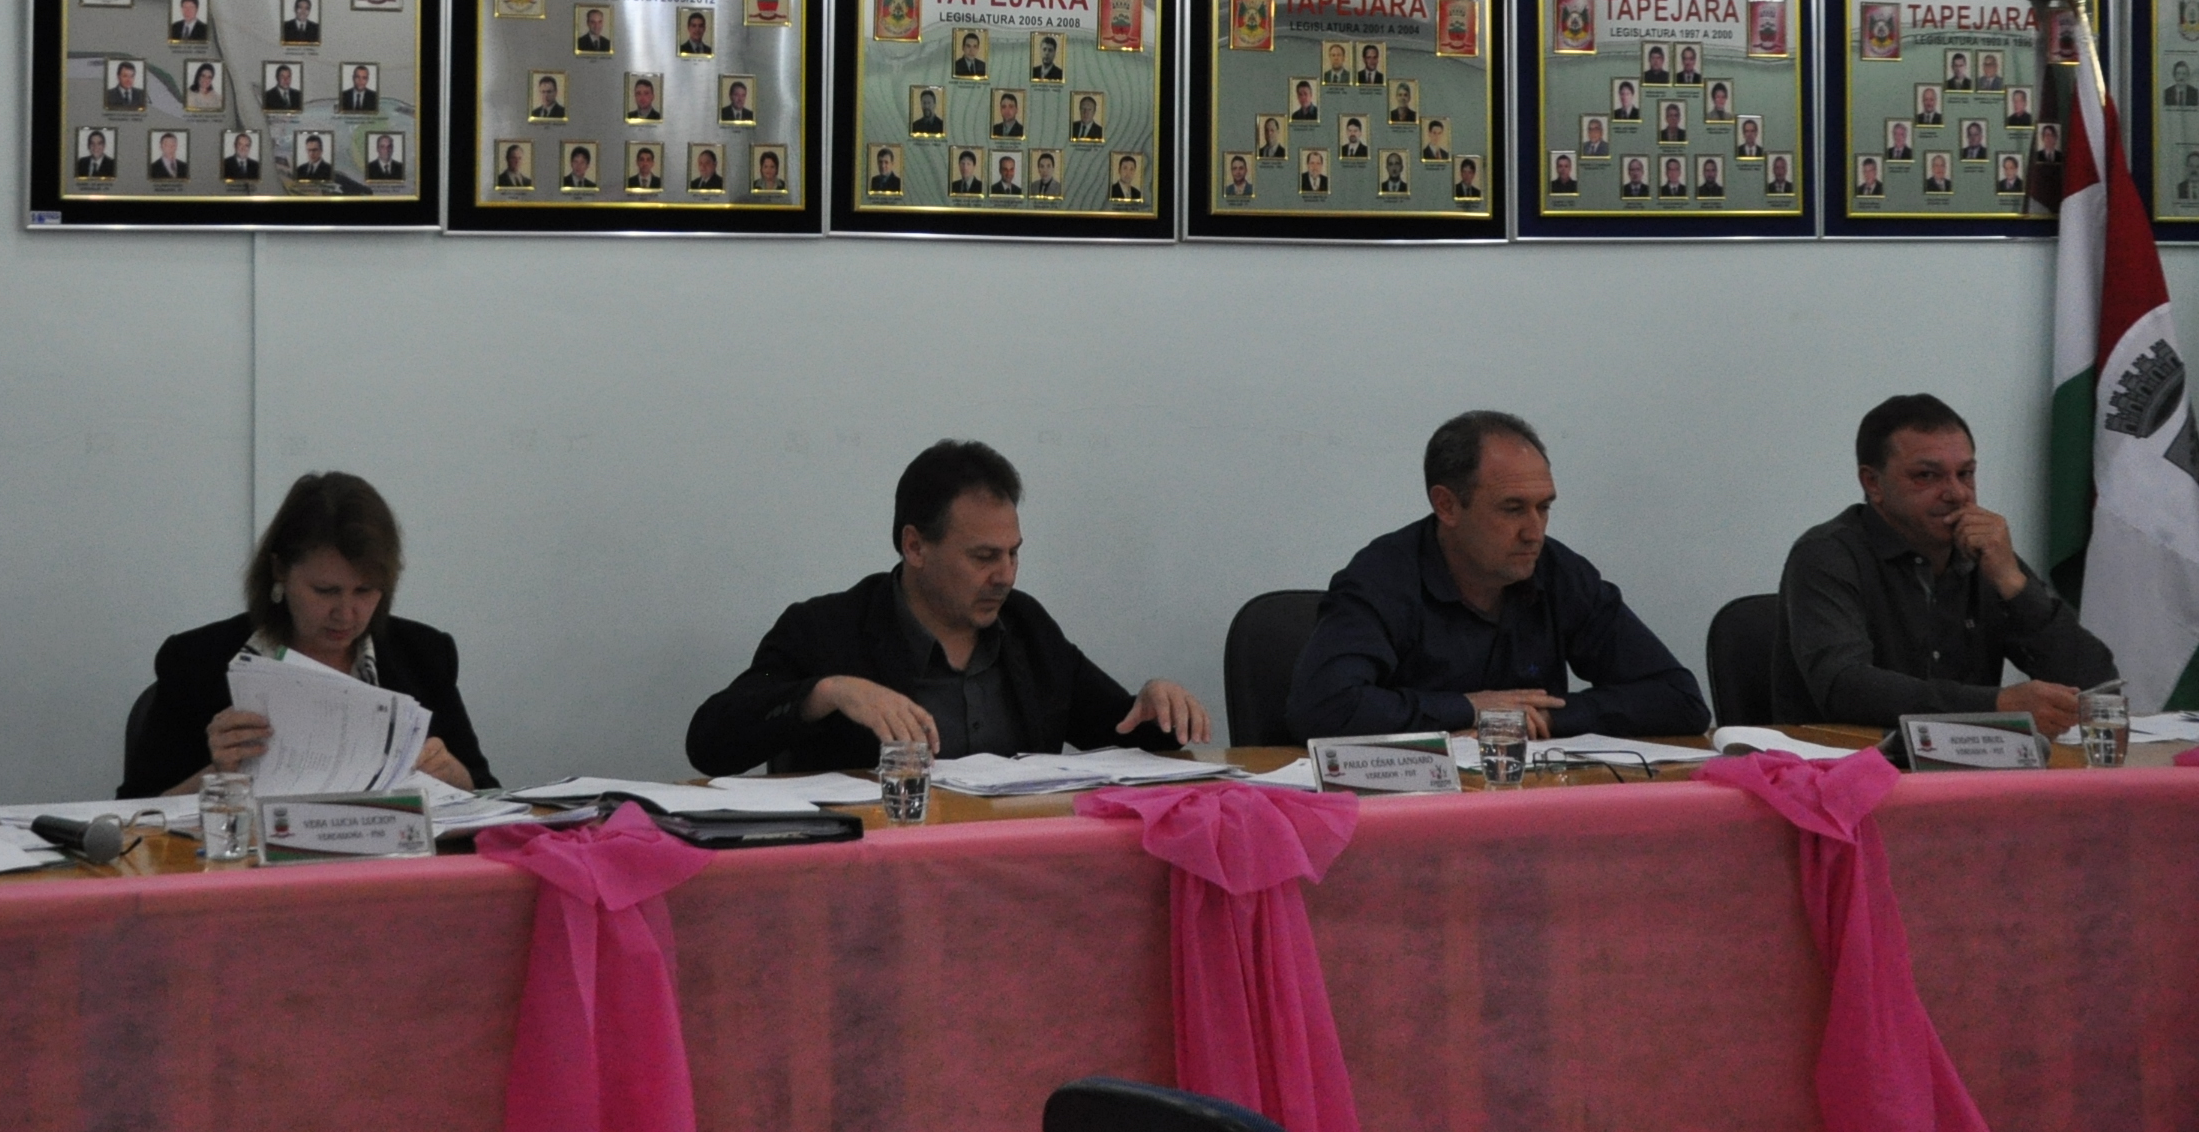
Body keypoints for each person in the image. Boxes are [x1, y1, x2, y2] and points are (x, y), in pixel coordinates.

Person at [686, 439, 1208, 774]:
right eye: (983, 557)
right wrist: (824, 693)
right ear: (915, 547)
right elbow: (710, 744)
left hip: (1013, 875)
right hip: (868, 884)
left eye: (1013, 553)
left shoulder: (1026, 628)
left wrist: (1158, 706)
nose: (1005, 575)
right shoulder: (826, 630)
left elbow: (1118, 733)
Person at [1287, 413, 1708, 741]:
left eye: (1544, 507)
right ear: (1447, 506)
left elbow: (1680, 699)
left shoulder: (1557, 571)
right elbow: (1323, 709)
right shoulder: (1382, 577)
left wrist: (1540, 718)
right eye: (1512, 509)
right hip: (1412, 807)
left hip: (1530, 801)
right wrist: (1470, 708)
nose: (1534, 532)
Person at [123, 471, 495, 798]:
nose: (345, 613)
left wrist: (453, 774)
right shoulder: (195, 661)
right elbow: (133, 813)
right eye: (325, 591)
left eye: (364, 591)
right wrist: (217, 775)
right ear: (279, 571)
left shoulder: (424, 655)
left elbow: (489, 794)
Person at [1773, 395, 2117, 734]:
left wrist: (2014, 584)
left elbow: (2096, 685)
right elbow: (1845, 687)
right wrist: (1996, 706)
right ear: (1873, 483)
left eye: (1965, 474)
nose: (1957, 493)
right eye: (1927, 475)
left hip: (1969, 763)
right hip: (1845, 760)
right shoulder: (1827, 555)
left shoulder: (1985, 554)